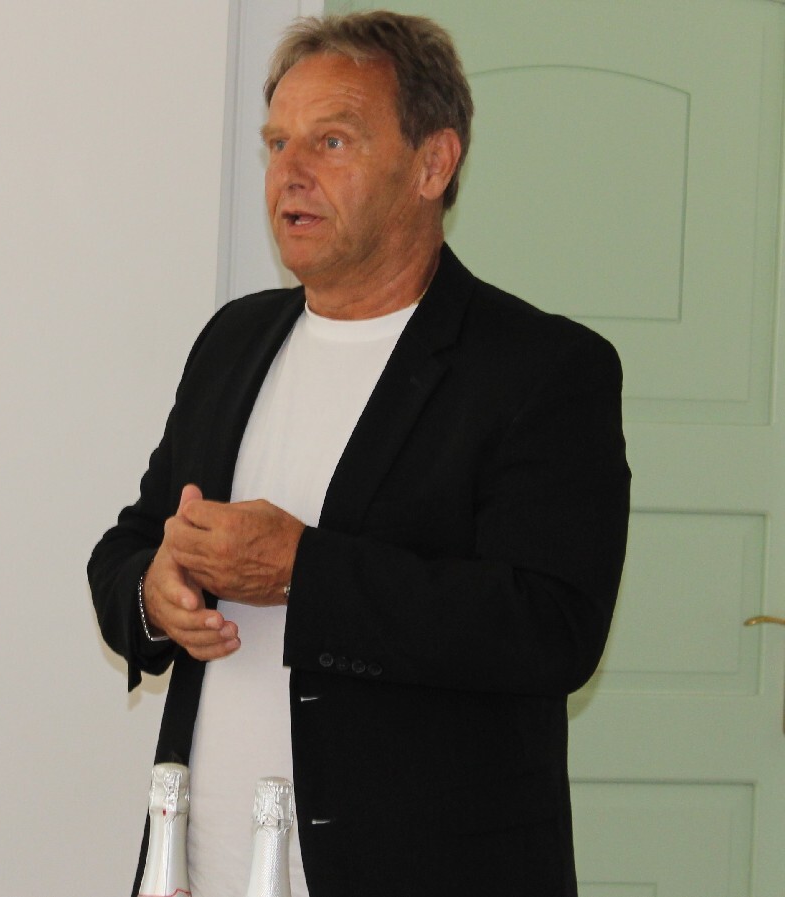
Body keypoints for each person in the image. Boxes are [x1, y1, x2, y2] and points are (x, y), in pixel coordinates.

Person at [89, 11, 630, 897]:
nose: (289, 173)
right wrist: (155, 591)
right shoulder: (234, 340)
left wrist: (305, 571)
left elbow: (551, 627)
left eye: (331, 141)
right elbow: (128, 548)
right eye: (277, 143)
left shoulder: (541, 369)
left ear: (433, 163)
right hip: (203, 868)